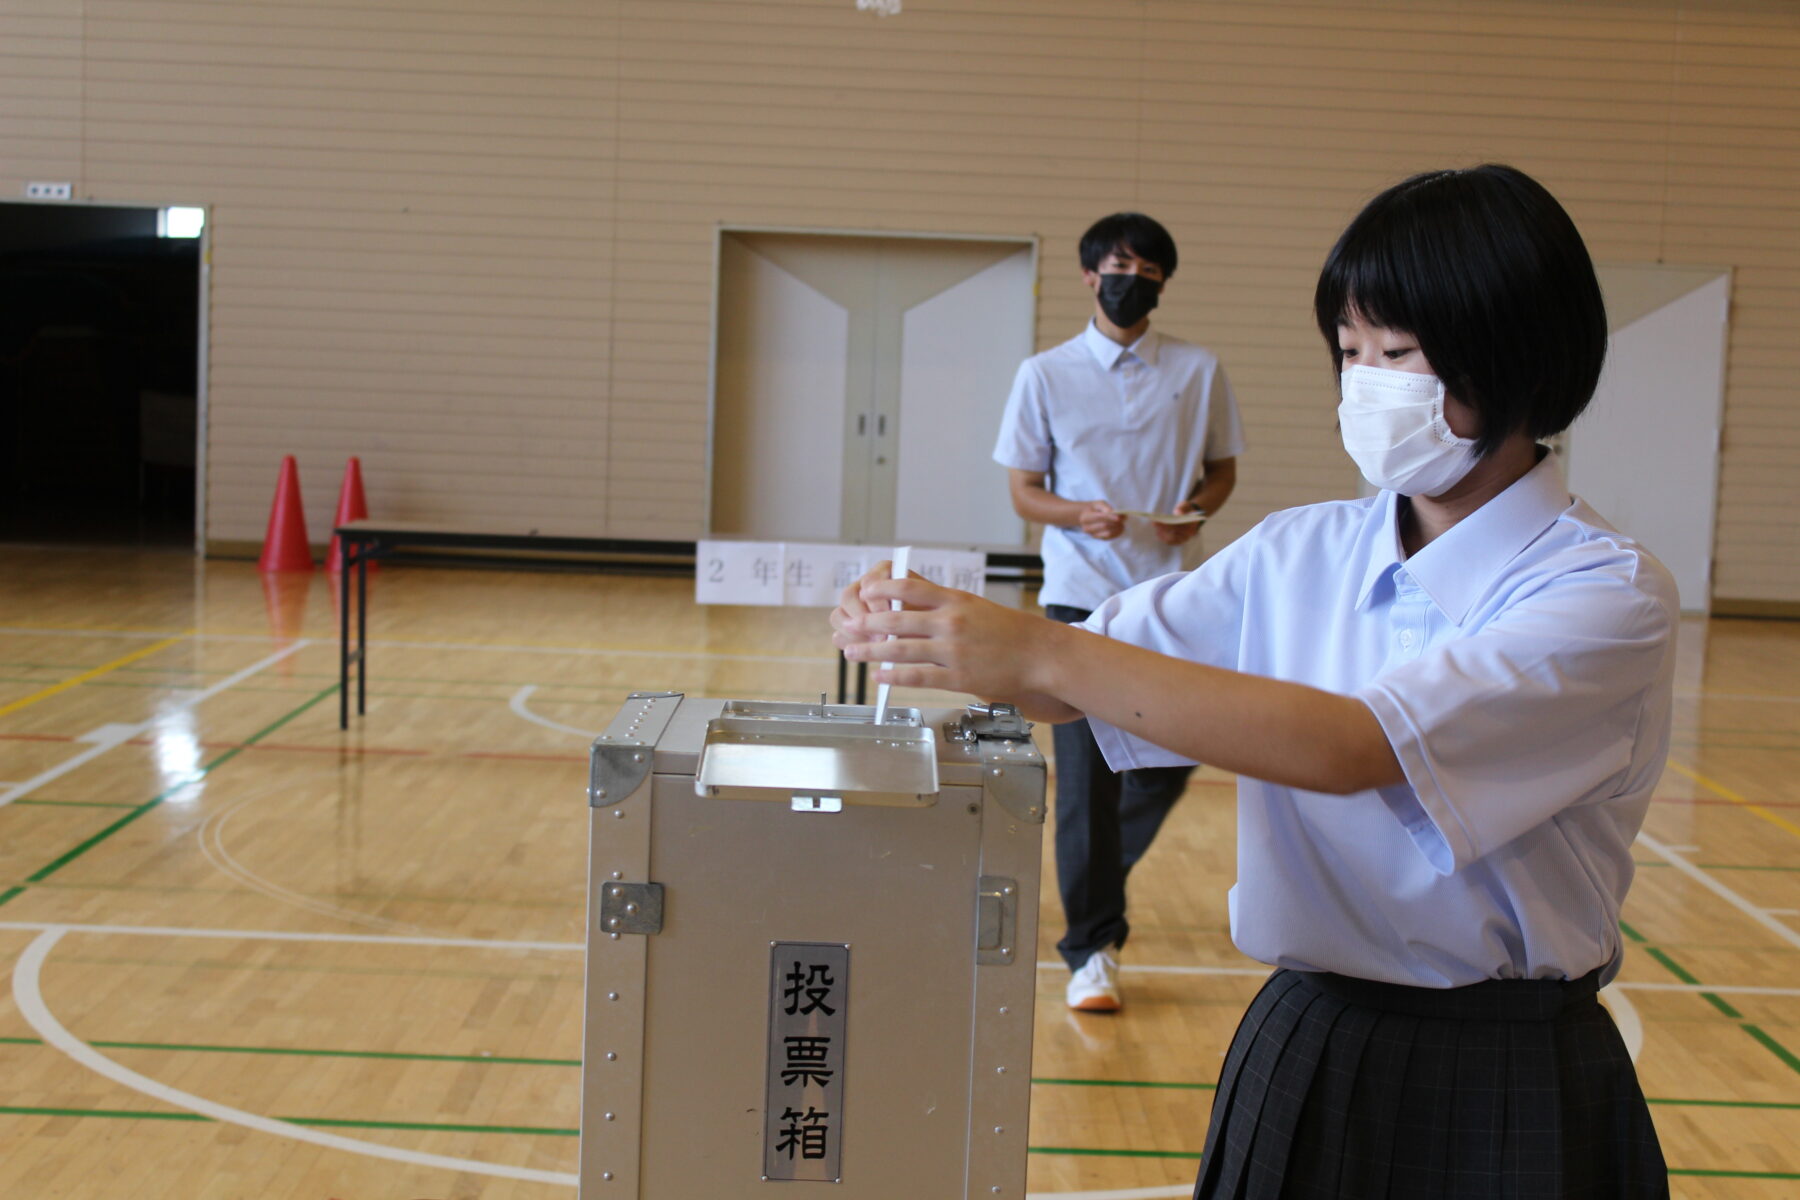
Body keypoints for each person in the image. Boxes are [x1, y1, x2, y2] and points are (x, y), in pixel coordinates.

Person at [835, 164, 1672, 1197]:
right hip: (1307, 1033)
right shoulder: (1300, 550)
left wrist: (1043, 650)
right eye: (1350, 353)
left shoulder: (1604, 591)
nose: (1367, 383)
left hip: (1504, 1059)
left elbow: (1353, 746)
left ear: (1515, 359)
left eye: (1399, 353)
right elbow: (1079, 682)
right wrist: (932, 635)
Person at [993, 211, 1244, 1012]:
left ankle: (1092, 875)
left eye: (1149, 267)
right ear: (1090, 275)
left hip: (1170, 594)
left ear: (1164, 281)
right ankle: (1091, 949)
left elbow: (1221, 471)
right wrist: (1074, 516)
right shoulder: (1045, 372)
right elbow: (1024, 490)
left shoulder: (1198, 370)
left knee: (1169, 761)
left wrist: (1195, 512)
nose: (1133, 277)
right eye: (1119, 264)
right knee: (1085, 782)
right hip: (1077, 592)